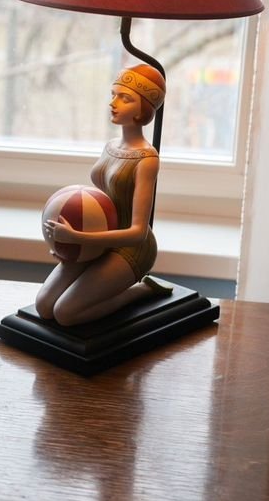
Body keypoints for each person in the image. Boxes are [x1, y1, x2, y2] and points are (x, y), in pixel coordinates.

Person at [36, 64, 169, 326]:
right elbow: (96, 204)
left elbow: (138, 233)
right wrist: (69, 247)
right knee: (44, 306)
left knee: (66, 314)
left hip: (130, 247)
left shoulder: (147, 159)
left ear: (143, 109)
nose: (113, 103)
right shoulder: (110, 147)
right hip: (98, 238)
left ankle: (140, 291)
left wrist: (77, 238)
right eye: (113, 94)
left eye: (125, 98)